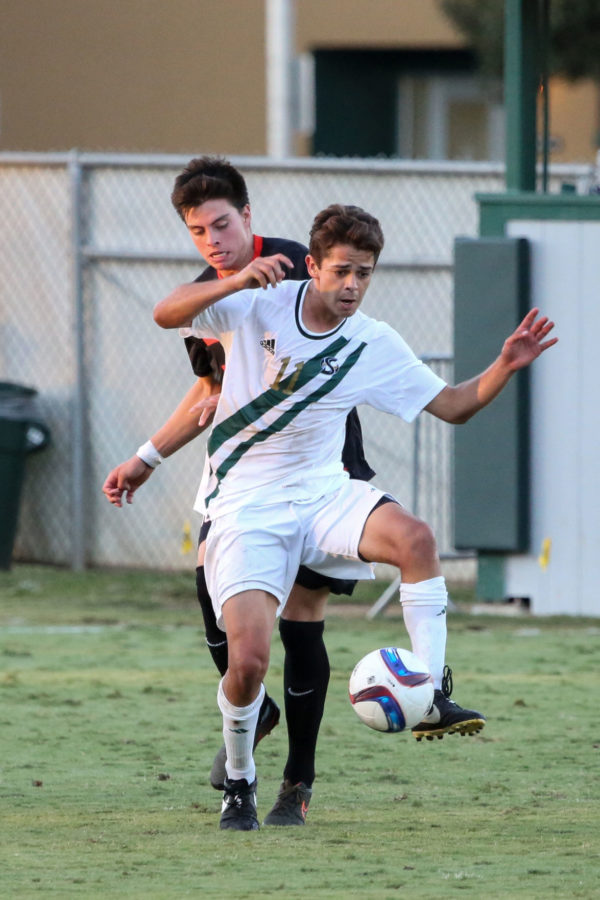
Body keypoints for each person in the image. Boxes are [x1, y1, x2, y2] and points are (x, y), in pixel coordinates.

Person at [155, 204, 557, 831]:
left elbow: (453, 406)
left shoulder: (373, 341)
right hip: (248, 505)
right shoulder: (261, 302)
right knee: (249, 665)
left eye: (364, 274)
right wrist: (235, 280)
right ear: (312, 266)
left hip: (322, 494)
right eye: (342, 271)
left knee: (416, 540)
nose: (352, 286)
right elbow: (167, 312)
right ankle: (240, 783)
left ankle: (429, 692)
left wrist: (504, 364)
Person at [103, 158, 374, 823]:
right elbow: (209, 387)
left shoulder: (293, 263)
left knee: (302, 617)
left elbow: (336, 339)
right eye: (198, 231)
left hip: (320, 470)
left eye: (221, 224)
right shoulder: (204, 294)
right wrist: (146, 456)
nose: (212, 241)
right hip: (242, 482)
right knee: (214, 592)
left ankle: (297, 786)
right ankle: (257, 704)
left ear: (247, 217)